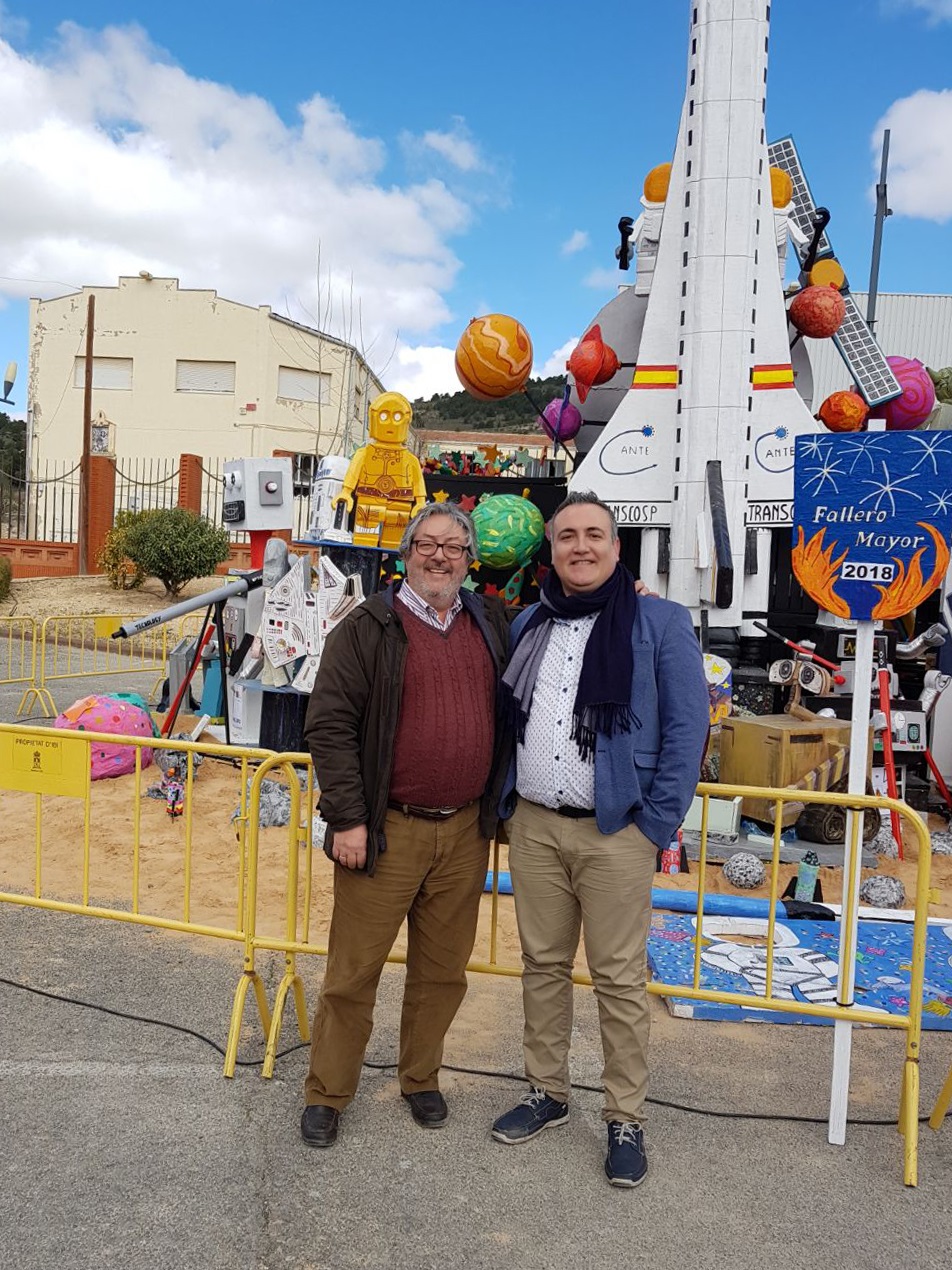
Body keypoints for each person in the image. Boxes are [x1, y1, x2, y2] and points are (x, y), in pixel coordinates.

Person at [491, 491, 709, 1189]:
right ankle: (547, 1092)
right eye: (567, 537)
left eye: (594, 535)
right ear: (551, 549)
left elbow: (689, 730)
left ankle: (625, 1117)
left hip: (618, 831)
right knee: (542, 965)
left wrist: (654, 827)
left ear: (617, 548)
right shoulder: (530, 621)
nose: (580, 547)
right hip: (535, 825)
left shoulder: (659, 621)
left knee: (618, 980)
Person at [300, 501, 511, 1148]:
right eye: (427, 544)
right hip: (387, 830)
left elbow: (566, 618)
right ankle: (328, 1092)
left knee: (442, 973)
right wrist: (347, 818)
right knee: (353, 973)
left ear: (470, 561)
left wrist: (634, 599)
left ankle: (420, 1078)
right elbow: (329, 725)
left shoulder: (491, 621)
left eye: (454, 547)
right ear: (406, 553)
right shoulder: (369, 626)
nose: (440, 556)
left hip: (465, 831)